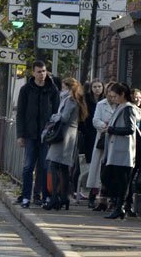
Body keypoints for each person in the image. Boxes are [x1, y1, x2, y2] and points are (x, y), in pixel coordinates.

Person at [15, 61, 59, 209]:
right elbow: (20, 113)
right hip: (29, 134)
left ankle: (44, 196)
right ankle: (26, 197)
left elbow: (57, 113)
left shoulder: (52, 89)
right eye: (39, 71)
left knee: (45, 167)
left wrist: (54, 132)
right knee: (28, 167)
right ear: (33, 73)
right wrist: (20, 134)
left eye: (44, 71)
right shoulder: (26, 89)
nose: (42, 74)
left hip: (46, 135)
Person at [44, 78, 88, 211]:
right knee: (63, 168)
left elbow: (64, 117)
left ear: (68, 88)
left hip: (63, 135)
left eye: (63, 87)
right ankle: (63, 198)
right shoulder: (75, 99)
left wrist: (53, 117)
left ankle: (54, 198)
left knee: (53, 164)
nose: (61, 89)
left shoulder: (69, 100)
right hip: (68, 135)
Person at [100, 83, 141, 219]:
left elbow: (130, 129)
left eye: (115, 96)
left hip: (123, 151)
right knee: (111, 178)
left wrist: (111, 129)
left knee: (120, 180)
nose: (113, 99)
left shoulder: (128, 109)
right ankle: (121, 205)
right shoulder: (121, 107)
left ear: (122, 94)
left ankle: (120, 206)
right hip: (117, 150)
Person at [87, 82, 119, 211]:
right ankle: (94, 197)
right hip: (103, 139)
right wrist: (105, 126)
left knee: (111, 170)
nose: (111, 95)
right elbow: (95, 120)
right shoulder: (101, 104)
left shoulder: (120, 105)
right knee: (98, 170)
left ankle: (110, 199)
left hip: (116, 140)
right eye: (109, 92)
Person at [124, 88, 141, 217]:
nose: (138, 99)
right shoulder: (131, 111)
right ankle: (125, 204)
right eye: (135, 97)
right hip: (131, 148)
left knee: (134, 178)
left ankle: (129, 204)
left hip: (140, 150)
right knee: (129, 177)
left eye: (140, 97)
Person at [82, 79, 105, 205]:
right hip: (90, 136)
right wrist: (85, 131)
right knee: (92, 166)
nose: (97, 89)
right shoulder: (87, 100)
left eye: (99, 86)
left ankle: (98, 195)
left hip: (102, 136)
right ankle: (90, 193)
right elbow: (83, 117)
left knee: (101, 168)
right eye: (95, 86)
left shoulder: (106, 101)